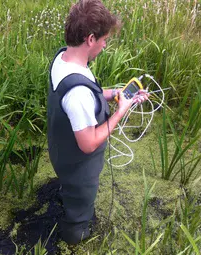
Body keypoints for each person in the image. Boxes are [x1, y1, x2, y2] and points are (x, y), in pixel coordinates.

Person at [47, 0, 149, 245]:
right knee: (80, 212)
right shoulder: (78, 94)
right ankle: (75, 240)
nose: (104, 45)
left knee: (69, 194)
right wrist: (120, 112)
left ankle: (67, 202)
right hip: (79, 169)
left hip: (61, 153)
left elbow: (82, 93)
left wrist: (114, 93)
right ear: (90, 39)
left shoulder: (63, 59)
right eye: (104, 39)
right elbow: (88, 144)